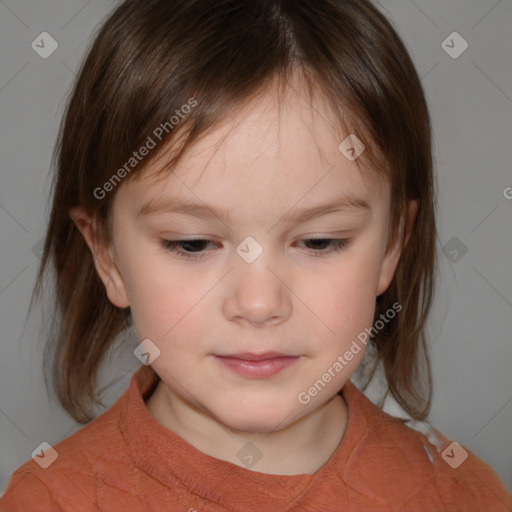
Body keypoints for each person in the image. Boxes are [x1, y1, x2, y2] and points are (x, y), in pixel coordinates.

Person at [1, 0, 510, 510]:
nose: (260, 303)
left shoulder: (457, 492)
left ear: (391, 245)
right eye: (193, 244)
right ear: (107, 256)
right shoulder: (54, 499)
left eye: (320, 241)